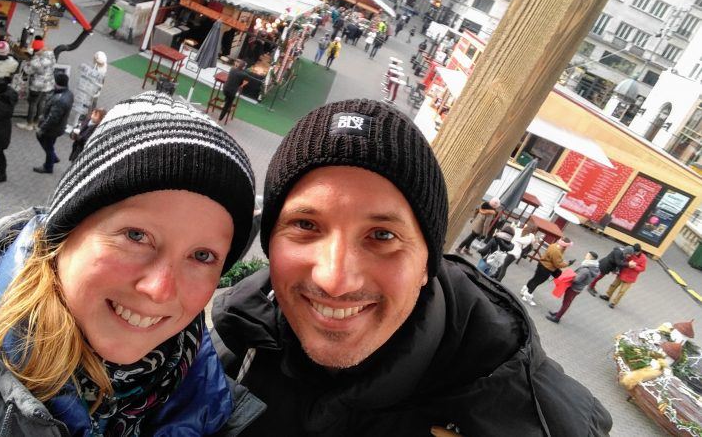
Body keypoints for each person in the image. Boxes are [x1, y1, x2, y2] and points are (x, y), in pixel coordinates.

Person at [211, 99, 612, 436]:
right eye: (305, 225)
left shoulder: (528, 418)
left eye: (382, 236)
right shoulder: (232, 346)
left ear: (426, 264)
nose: (334, 280)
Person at [0, 91, 261, 436]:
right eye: (136, 235)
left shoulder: (199, 388)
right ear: (66, 229)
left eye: (202, 256)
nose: (159, 290)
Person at [33, 72, 73, 174]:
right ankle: (52, 158)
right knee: (50, 144)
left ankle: (48, 166)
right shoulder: (68, 93)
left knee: (45, 142)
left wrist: (42, 128)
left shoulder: (60, 100)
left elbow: (52, 118)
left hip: (52, 129)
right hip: (59, 127)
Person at [546, 252, 600, 324]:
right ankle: (558, 313)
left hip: (574, 288)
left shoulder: (586, 270)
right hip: (578, 288)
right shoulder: (594, 268)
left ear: (590, 257)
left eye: (587, 255)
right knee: (567, 302)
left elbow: (576, 280)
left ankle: (557, 318)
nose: (585, 255)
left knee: (566, 303)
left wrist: (570, 275)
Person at [521, 236, 573, 306]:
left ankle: (525, 290)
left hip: (542, 265)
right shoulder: (557, 252)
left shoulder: (553, 245)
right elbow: (558, 264)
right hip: (546, 269)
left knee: (534, 279)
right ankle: (527, 295)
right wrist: (567, 264)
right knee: (537, 282)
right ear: (564, 246)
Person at [18, 43, 56, 131]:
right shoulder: (52, 57)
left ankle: (29, 124)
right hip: (48, 85)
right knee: (41, 103)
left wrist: (33, 58)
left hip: (37, 85)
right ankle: (36, 123)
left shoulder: (37, 61)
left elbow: (28, 71)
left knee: (33, 103)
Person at [600, 243, 646, 308]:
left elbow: (643, 268)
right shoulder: (630, 252)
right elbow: (622, 260)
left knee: (622, 291)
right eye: (634, 252)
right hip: (622, 273)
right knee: (613, 285)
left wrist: (634, 266)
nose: (634, 254)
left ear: (640, 251)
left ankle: (614, 303)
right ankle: (608, 296)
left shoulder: (643, 258)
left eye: (636, 252)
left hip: (630, 278)